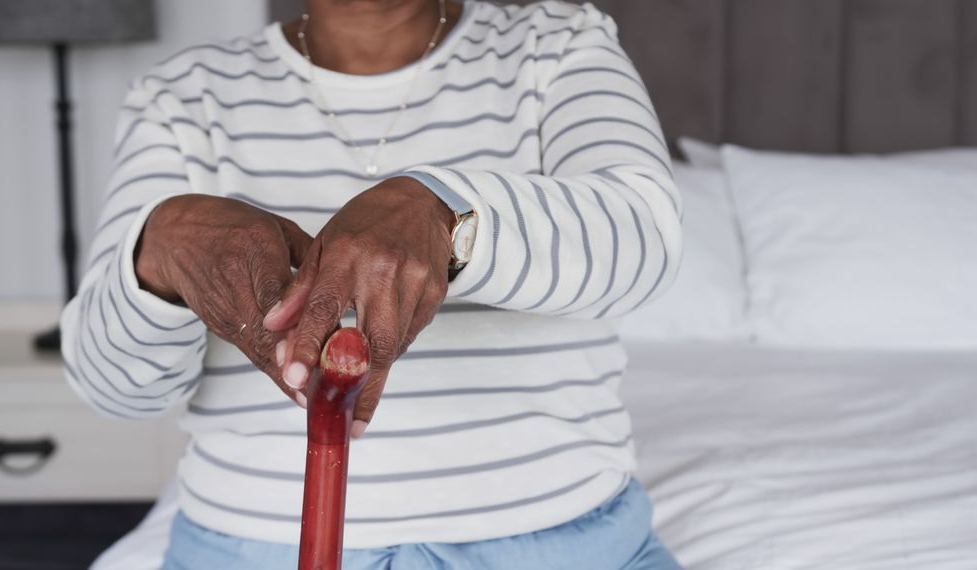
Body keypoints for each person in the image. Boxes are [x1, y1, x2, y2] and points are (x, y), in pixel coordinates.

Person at [60, 0, 682, 567]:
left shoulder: (560, 43)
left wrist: (449, 215)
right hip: (251, 551)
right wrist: (157, 253)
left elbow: (645, 239)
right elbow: (113, 388)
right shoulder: (181, 95)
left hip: (564, 545)